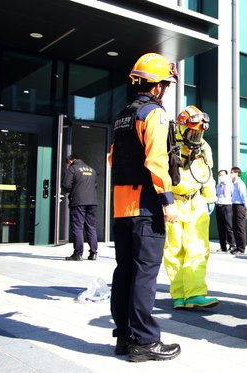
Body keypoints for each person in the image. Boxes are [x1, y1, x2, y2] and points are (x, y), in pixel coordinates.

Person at [108, 52, 181, 362]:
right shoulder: (155, 114)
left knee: (124, 271)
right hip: (147, 207)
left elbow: (113, 159)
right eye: (165, 83)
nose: (166, 89)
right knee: (144, 275)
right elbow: (156, 161)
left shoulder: (123, 116)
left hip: (121, 207)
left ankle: (124, 337)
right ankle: (146, 341)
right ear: (158, 86)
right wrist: (168, 202)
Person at [163, 105, 219, 309]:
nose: (196, 136)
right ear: (181, 128)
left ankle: (195, 294)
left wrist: (210, 197)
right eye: (193, 132)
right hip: (175, 202)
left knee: (198, 249)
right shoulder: (168, 144)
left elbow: (208, 175)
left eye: (199, 132)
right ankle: (179, 295)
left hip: (196, 202)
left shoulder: (203, 147)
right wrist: (164, 201)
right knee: (174, 249)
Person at [61, 154, 98, 261]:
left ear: (70, 161)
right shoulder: (92, 170)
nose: (67, 165)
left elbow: (66, 185)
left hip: (78, 202)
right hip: (92, 202)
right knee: (91, 227)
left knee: (77, 227)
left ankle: (78, 254)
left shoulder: (72, 169)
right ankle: (93, 253)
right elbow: (95, 185)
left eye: (67, 163)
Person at [216, 169, 236, 252]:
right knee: (220, 228)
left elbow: (233, 194)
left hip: (227, 206)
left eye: (222, 175)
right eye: (219, 175)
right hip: (219, 205)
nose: (221, 177)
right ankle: (223, 247)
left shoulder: (230, 184)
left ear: (226, 175)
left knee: (229, 227)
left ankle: (232, 245)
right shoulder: (218, 185)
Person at [230, 166, 247, 254]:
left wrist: (246, 207)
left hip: (240, 206)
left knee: (240, 228)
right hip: (234, 206)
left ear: (237, 173)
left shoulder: (240, 183)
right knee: (235, 227)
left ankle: (241, 248)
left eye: (232, 172)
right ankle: (237, 247)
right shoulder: (234, 183)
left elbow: (244, 196)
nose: (231, 174)